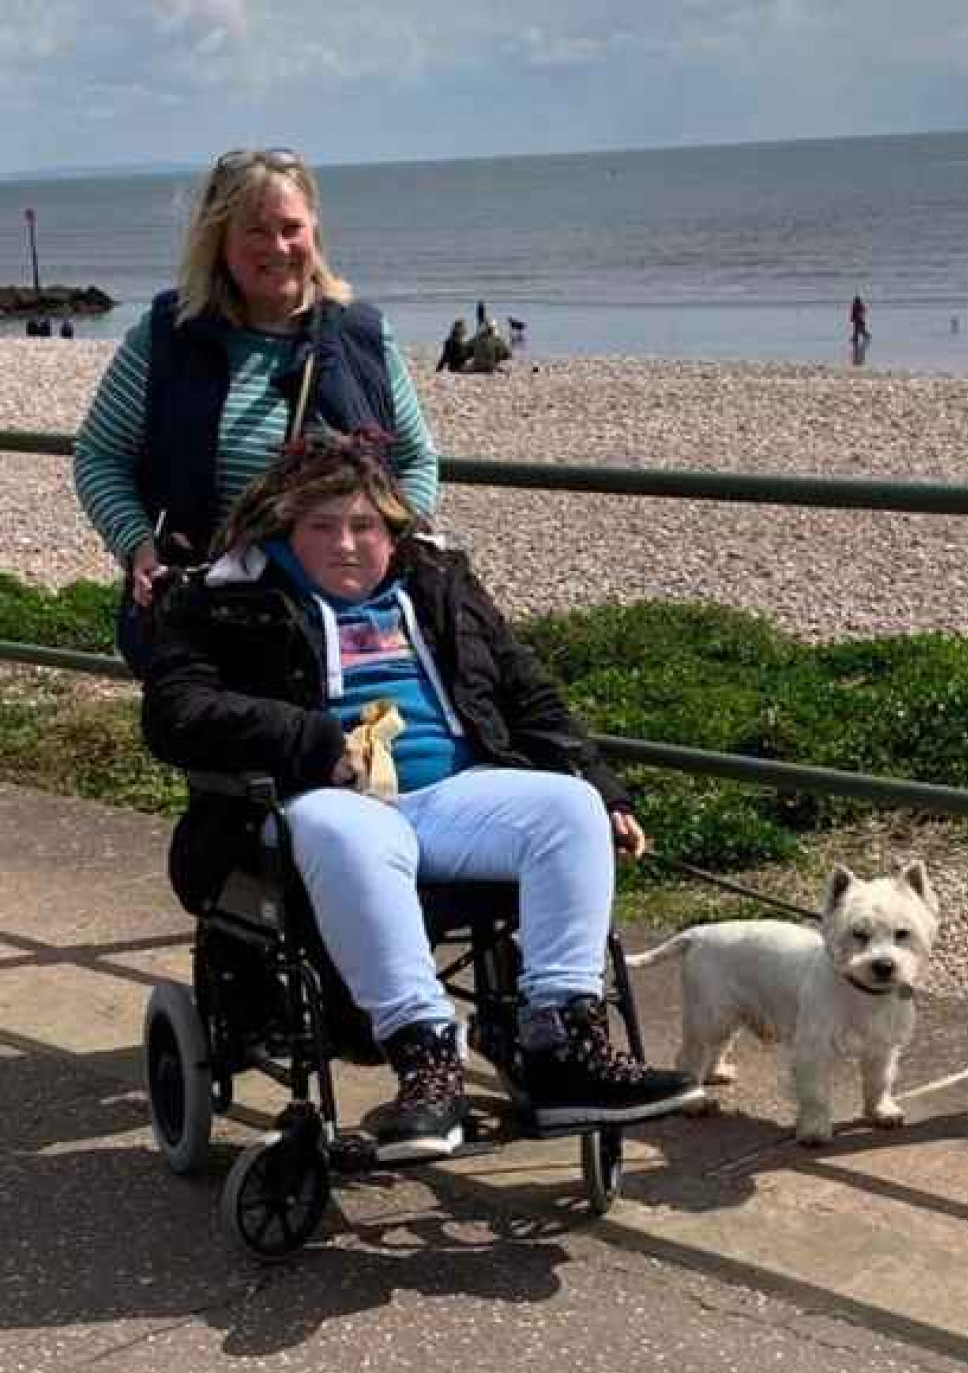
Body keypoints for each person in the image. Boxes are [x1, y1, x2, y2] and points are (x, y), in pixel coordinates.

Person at [141, 432, 698, 1159]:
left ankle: (562, 1044)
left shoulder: (438, 583)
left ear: (392, 529)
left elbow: (529, 691)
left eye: (365, 526)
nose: (347, 544)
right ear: (283, 530)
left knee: (568, 811)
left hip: (453, 792)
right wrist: (310, 740)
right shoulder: (225, 599)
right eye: (323, 527)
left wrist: (598, 781)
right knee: (348, 832)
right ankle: (427, 1062)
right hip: (317, 803)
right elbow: (175, 713)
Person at [73, 147, 438, 671]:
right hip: (212, 627)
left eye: (291, 228)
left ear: (314, 230)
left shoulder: (363, 336)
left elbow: (416, 460)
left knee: (347, 752)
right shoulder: (166, 338)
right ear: (218, 241)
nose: (279, 247)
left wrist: (397, 541)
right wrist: (137, 546)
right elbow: (98, 456)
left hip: (345, 627)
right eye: (256, 231)